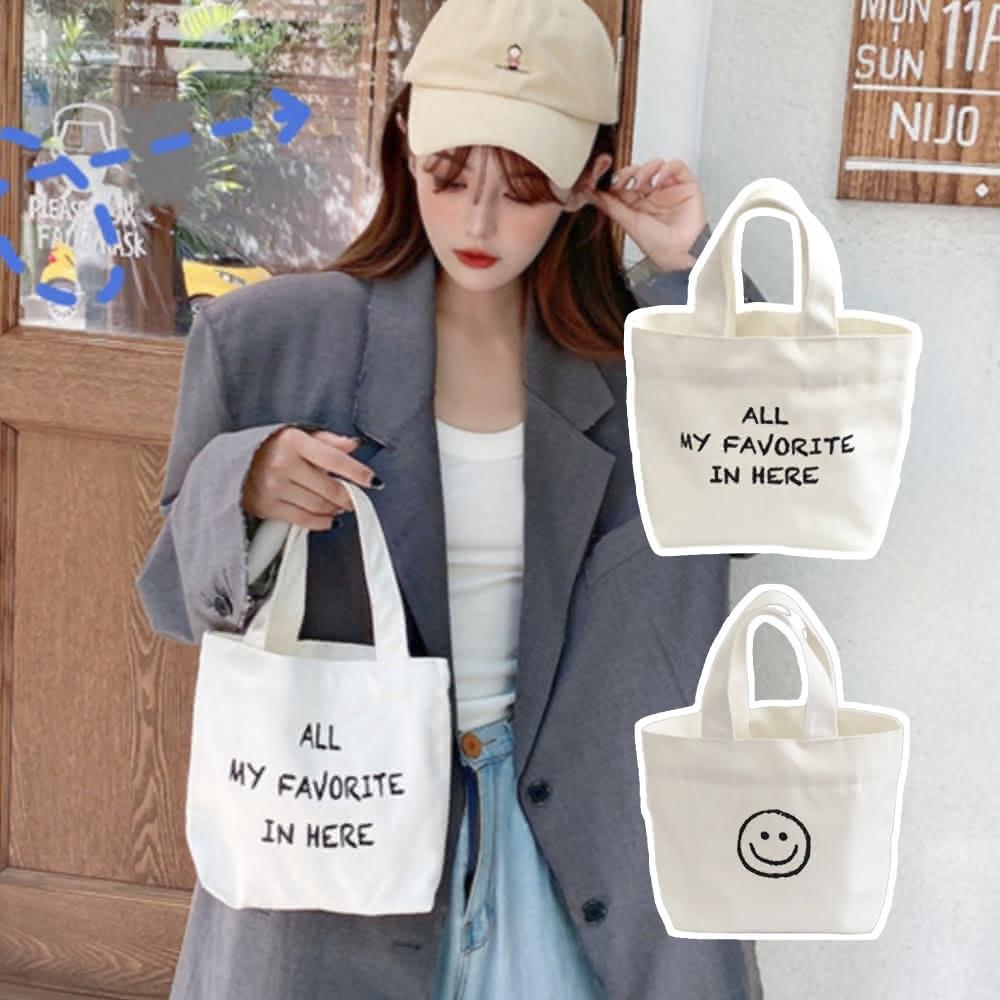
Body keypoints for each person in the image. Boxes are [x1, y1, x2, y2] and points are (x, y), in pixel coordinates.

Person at [136, 0, 766, 996]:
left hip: (574, 854)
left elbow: (764, 482)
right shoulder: (271, 341)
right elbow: (175, 603)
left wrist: (697, 260)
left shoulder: (648, 361)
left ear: (586, 181)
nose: (478, 221)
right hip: (341, 835)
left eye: (523, 187)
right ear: (404, 146)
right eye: (449, 174)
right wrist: (243, 485)